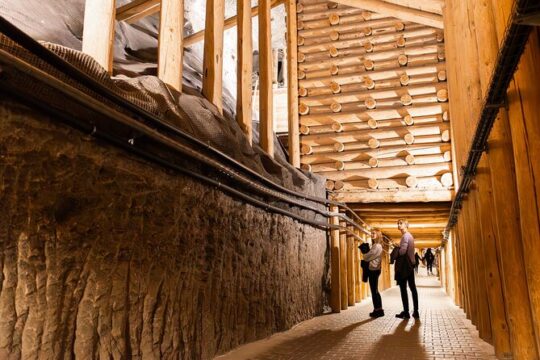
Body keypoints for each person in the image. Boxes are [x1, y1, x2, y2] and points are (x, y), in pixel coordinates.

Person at [394, 219, 419, 320]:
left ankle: (406, 312)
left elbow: (403, 252)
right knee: (413, 288)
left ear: (406, 225)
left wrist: (397, 249)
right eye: (398, 224)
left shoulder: (405, 236)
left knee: (403, 289)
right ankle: (416, 311)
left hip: (405, 267)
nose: (399, 225)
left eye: (401, 223)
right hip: (410, 266)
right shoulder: (410, 236)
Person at [363, 228, 384, 318]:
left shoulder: (377, 246)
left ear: (378, 235)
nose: (372, 235)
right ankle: (379, 309)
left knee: (374, 291)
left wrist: (365, 254)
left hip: (373, 270)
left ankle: (377, 310)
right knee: (375, 290)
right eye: (371, 233)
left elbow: (367, 257)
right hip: (375, 269)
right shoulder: (376, 245)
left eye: (374, 233)